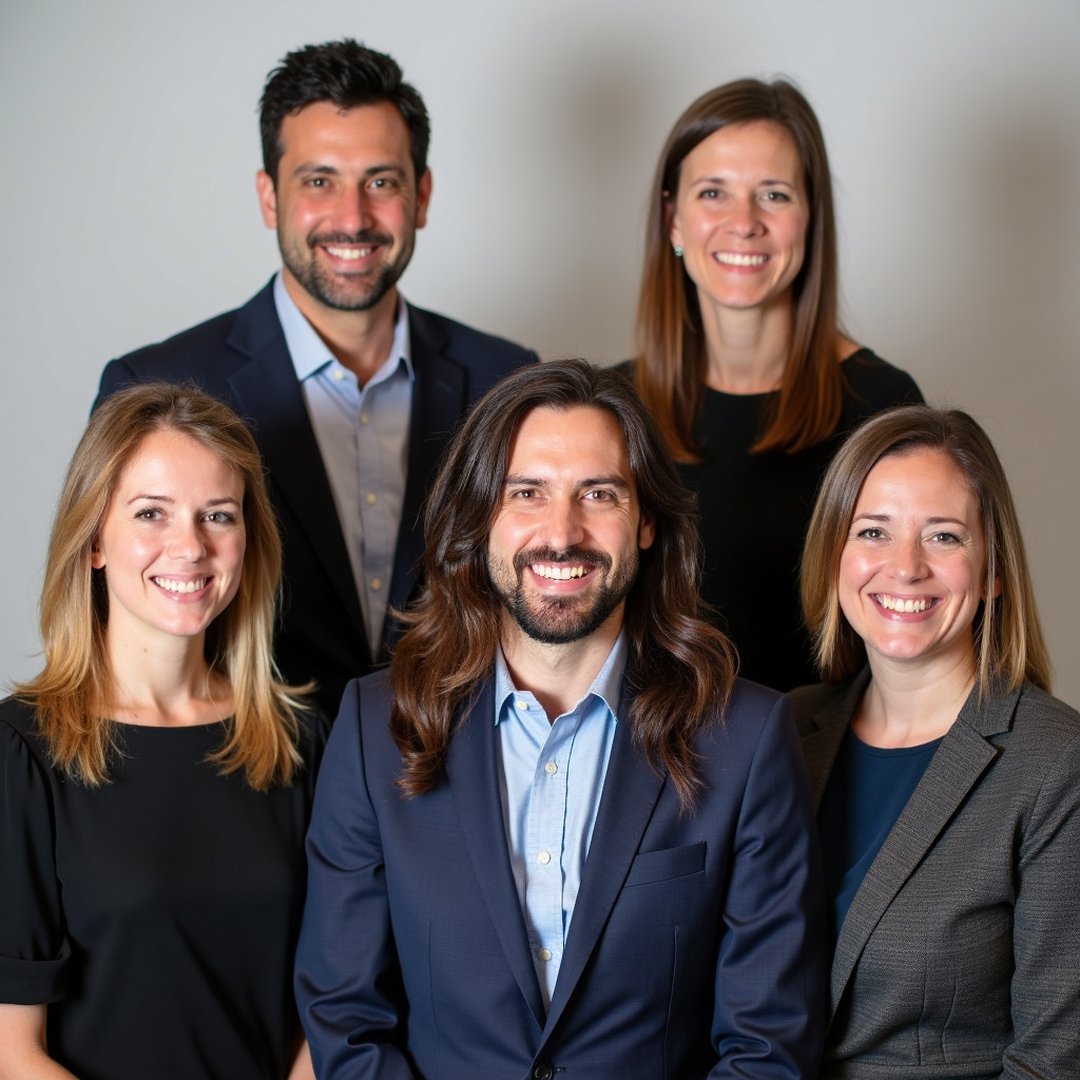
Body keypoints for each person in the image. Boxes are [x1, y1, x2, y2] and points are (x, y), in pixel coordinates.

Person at [295, 359, 826, 1078]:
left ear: (646, 522)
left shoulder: (748, 738)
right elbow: (346, 1017)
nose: (562, 532)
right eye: (527, 493)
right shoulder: (373, 728)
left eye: (598, 494)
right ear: (480, 518)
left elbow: (768, 1045)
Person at [95, 39, 536, 716]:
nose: (353, 218)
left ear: (421, 195)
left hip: (448, 763)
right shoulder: (156, 385)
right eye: (319, 181)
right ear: (270, 197)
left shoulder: (505, 379)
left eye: (381, 182)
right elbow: (113, 636)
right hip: (243, 763)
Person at [0, 384, 327, 1080]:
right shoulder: (21, 751)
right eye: (152, 513)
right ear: (94, 540)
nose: (190, 546)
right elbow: (11, 1052)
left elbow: (332, 1001)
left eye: (218, 515)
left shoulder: (304, 741)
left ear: (247, 543)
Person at [792, 405, 1080, 1078]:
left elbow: (1054, 1060)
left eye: (944, 537)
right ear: (835, 556)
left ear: (993, 570)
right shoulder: (785, 730)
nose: (906, 567)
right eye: (873, 532)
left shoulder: (1055, 762)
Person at [628, 78, 923, 692]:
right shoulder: (613, 408)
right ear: (673, 220)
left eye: (774, 195)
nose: (744, 223)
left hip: (821, 746)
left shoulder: (882, 404)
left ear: (811, 219)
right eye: (713, 193)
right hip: (649, 745)